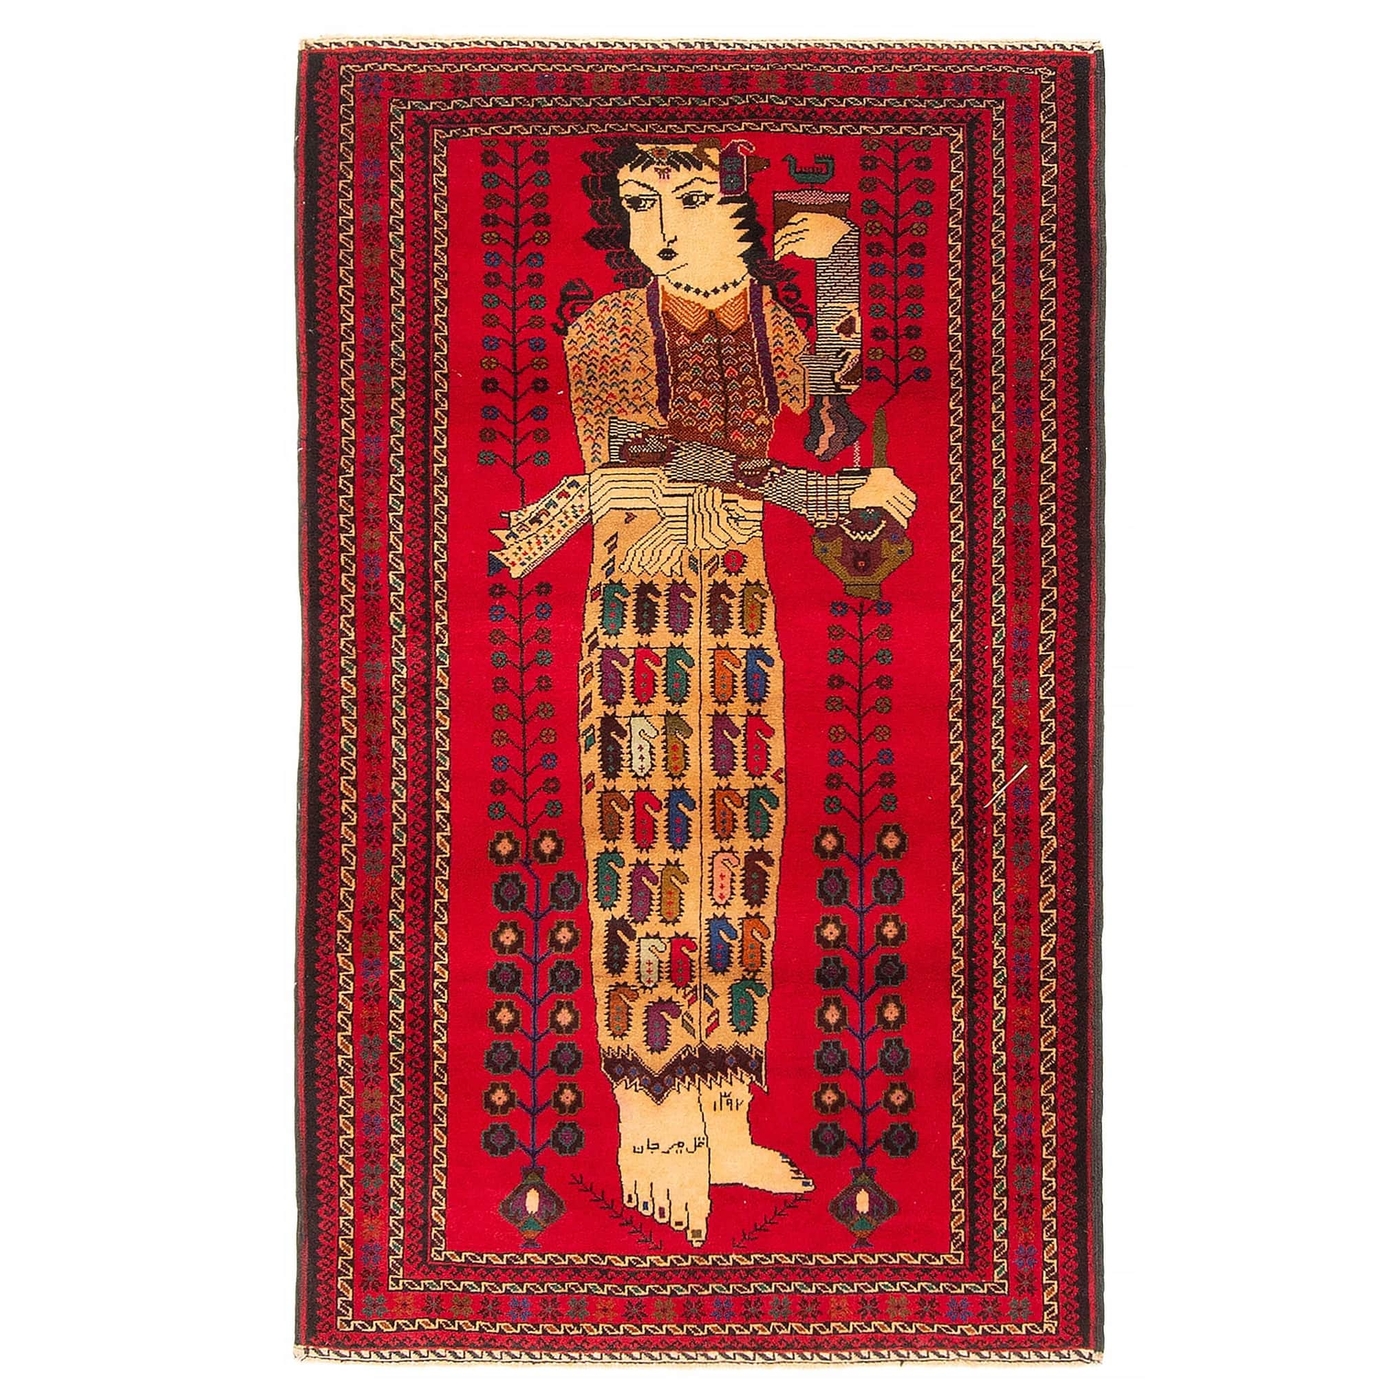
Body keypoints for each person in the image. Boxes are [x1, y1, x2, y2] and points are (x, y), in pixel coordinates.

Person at [495, 138, 916, 1246]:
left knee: (734, 846)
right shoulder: (607, 329)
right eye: (641, 203)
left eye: (688, 199)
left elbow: (831, 409)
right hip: (641, 593)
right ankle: (649, 1127)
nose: (662, 226)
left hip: (734, 593)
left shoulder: (769, 325)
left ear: (740, 212)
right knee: (644, 852)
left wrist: (836, 268)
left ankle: (723, 1115)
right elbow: (648, 448)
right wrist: (819, 495)